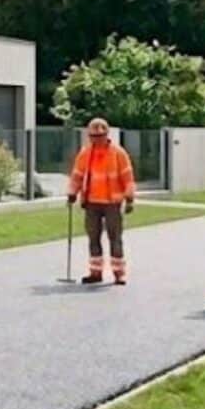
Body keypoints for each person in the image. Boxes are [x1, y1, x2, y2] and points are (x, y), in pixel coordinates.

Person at [67, 117, 136, 285]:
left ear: (107, 135)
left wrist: (130, 199)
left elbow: (127, 177)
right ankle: (95, 273)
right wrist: (72, 193)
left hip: (113, 202)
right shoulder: (85, 154)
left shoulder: (118, 153)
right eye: (93, 136)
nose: (96, 139)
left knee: (115, 238)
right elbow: (77, 175)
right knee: (93, 237)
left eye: (100, 136)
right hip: (91, 202)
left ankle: (119, 273)